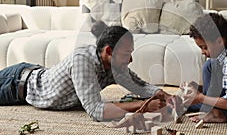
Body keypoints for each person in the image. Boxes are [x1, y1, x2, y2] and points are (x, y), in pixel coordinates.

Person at [0, 22, 172, 122]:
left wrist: (162, 94)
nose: (131, 60)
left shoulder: (114, 66)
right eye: (127, 54)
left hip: (34, 73)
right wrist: (143, 106)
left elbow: (139, 85)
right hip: (16, 83)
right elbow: (95, 111)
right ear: (109, 52)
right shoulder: (82, 60)